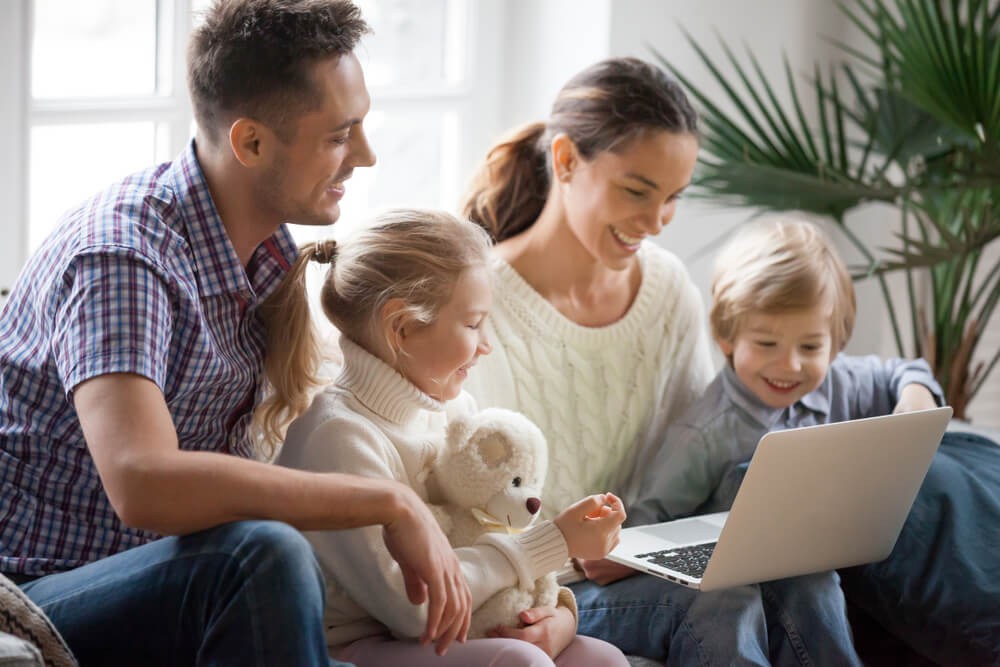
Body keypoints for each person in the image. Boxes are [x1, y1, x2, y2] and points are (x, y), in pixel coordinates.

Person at [0, 2, 471, 664]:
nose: (366, 155)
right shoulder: (125, 257)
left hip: (169, 586)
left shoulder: (264, 254)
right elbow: (143, 480)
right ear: (250, 142)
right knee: (263, 551)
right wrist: (388, 502)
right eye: (340, 135)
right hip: (32, 597)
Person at [460, 57, 862, 665]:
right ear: (566, 161)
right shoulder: (479, 306)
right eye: (637, 191)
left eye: (673, 197)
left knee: (806, 576)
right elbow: (465, 511)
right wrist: (564, 592)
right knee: (719, 598)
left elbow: (711, 447)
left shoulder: (667, 288)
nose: (655, 223)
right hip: (554, 587)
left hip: (650, 559)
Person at [270, 208, 630, 666]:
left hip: (447, 626)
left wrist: (557, 613)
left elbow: (492, 525)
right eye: (473, 323)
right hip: (355, 645)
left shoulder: (453, 409)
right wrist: (556, 542)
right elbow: (416, 610)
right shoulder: (339, 438)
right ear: (400, 328)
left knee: (604, 659)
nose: (486, 345)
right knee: (521, 664)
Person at [627, 218, 944, 527]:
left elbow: (901, 372)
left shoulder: (839, 381)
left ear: (834, 347)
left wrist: (915, 394)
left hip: (823, 556)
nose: (790, 365)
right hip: (737, 569)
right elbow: (648, 520)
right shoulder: (702, 435)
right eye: (766, 344)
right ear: (727, 338)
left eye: (810, 347)